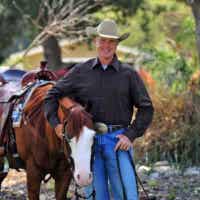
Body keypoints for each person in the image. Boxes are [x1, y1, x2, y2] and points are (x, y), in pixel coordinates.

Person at [44, 19, 154, 200]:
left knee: (127, 195)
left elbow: (146, 108)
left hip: (118, 140)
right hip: (89, 142)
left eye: (111, 41)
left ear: (117, 44)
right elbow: (52, 95)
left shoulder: (128, 74)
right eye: (102, 40)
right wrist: (56, 124)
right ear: (95, 41)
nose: (106, 45)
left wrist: (131, 135)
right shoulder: (80, 71)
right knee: (95, 195)